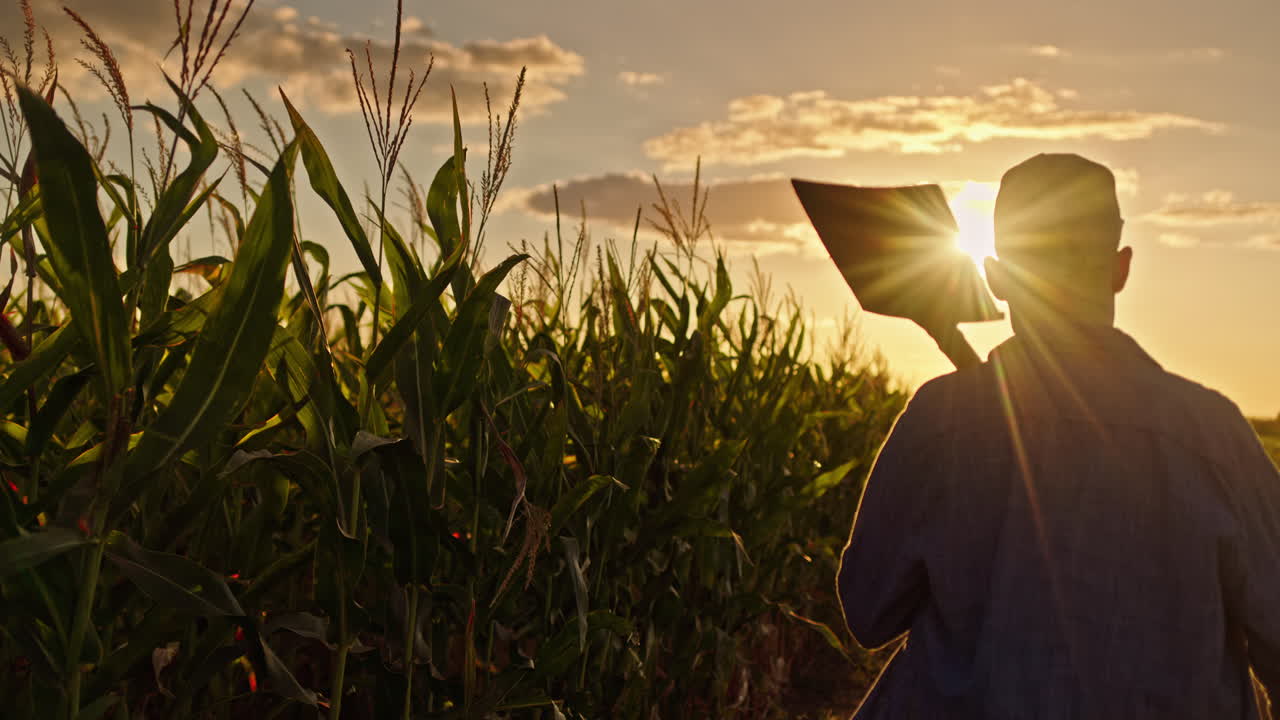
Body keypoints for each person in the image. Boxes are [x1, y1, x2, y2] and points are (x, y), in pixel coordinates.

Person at [837, 153, 1280, 719]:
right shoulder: (1215, 436)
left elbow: (867, 609)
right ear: (1120, 269)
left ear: (995, 278)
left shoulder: (939, 422)